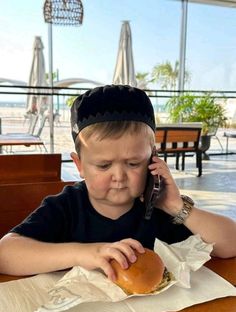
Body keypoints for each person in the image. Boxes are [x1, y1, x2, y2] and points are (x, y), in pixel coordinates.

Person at [0, 85, 235, 281]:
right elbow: (5, 253)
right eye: (103, 165)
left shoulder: (159, 209)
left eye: (133, 163)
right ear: (79, 165)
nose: (119, 176)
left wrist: (176, 206)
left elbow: (231, 244)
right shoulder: (66, 207)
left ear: (153, 160)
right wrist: (84, 253)